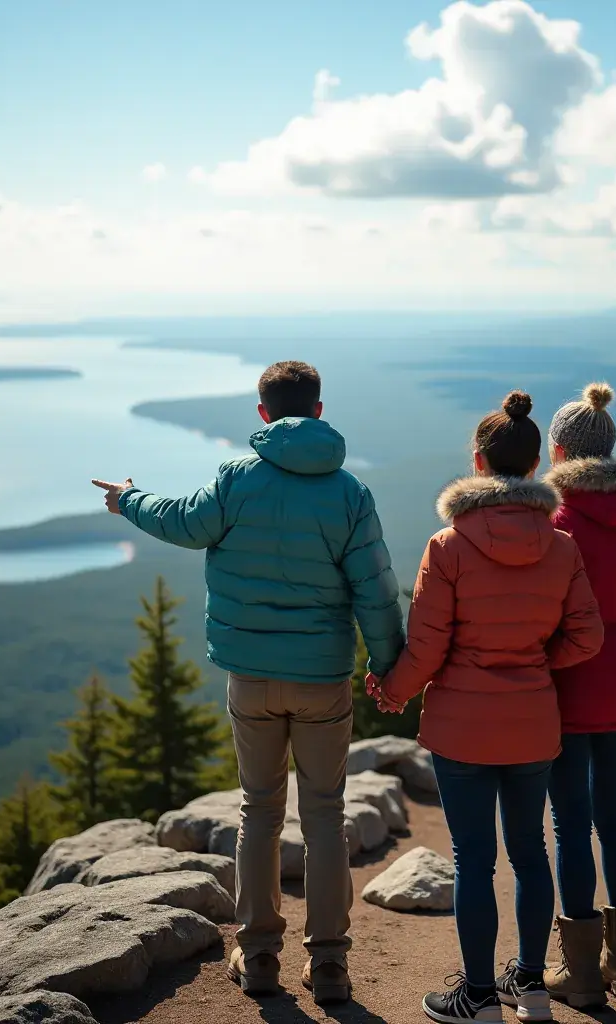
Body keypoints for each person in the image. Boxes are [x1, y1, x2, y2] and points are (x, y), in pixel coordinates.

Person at [93, 361, 405, 1007]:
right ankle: (330, 968)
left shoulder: (237, 479)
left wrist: (129, 498)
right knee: (324, 817)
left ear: (263, 415)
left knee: (258, 812)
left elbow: (183, 523)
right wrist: (389, 665)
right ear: (317, 411)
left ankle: (259, 955)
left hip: (251, 676)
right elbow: (374, 589)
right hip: (321, 679)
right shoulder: (349, 492)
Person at [368, 391, 605, 1024]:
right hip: (533, 723)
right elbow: (588, 636)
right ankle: (530, 987)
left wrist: (392, 691)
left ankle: (476, 997)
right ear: (536, 467)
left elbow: (426, 645)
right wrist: (530, 665)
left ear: (477, 461)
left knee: (474, 858)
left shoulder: (447, 546)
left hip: (461, 729)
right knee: (530, 852)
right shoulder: (560, 547)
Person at [541, 382, 616, 1009]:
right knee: (612, 814)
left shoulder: (557, 520)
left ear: (559, 451)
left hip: (568, 681)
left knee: (569, 821)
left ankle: (582, 974)